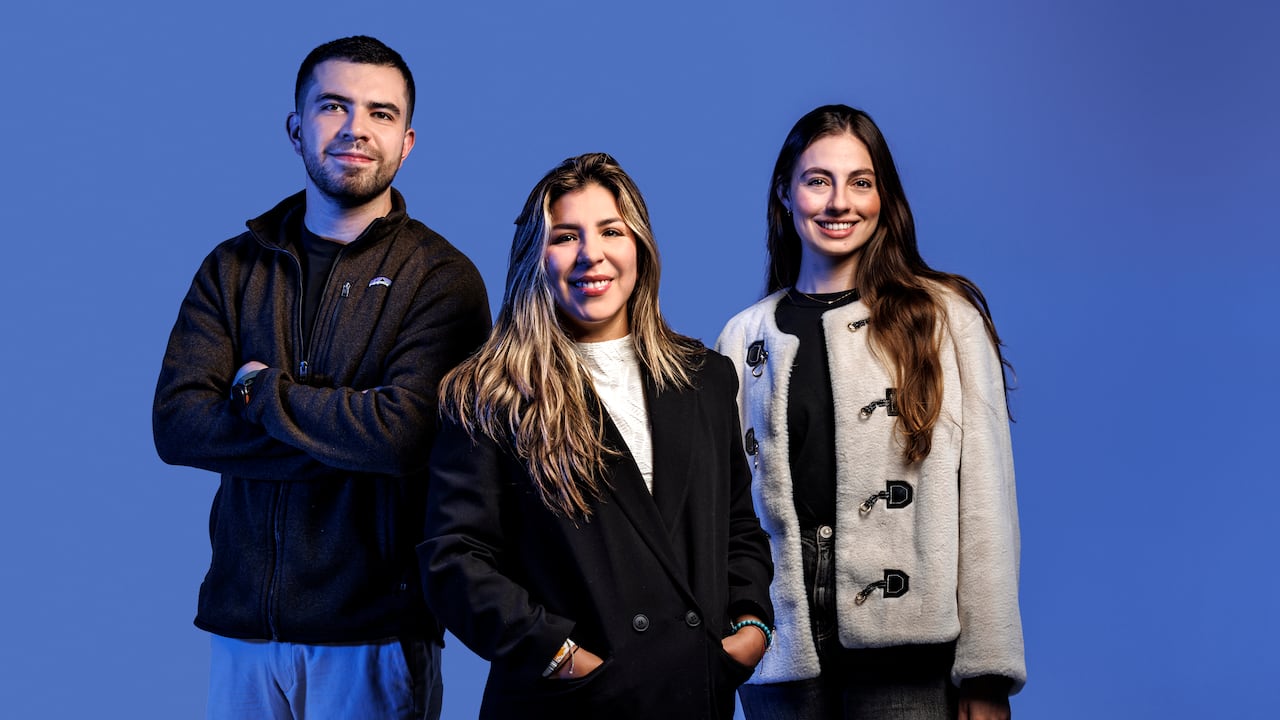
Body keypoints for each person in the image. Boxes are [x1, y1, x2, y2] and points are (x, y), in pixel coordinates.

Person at [152, 35, 491, 720]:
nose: (355, 129)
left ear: (408, 141)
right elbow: (178, 425)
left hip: (373, 635)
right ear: (296, 126)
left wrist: (255, 392)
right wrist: (345, 433)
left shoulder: (442, 279)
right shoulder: (233, 267)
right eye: (333, 106)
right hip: (244, 629)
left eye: (381, 113)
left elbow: (404, 439)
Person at [418, 152, 774, 719]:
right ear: (537, 256)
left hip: (690, 694)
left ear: (640, 245)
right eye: (565, 236)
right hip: (565, 703)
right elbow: (454, 560)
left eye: (611, 230)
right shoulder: (488, 391)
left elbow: (737, 526)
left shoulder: (704, 378)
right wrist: (559, 655)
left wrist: (751, 627)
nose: (592, 254)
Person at [716, 105, 1026, 719]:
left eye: (861, 181)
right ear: (786, 192)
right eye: (817, 180)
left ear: (884, 195)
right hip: (781, 657)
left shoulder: (946, 319)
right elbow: (724, 511)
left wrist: (986, 672)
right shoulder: (743, 336)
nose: (839, 202)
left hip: (912, 656)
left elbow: (988, 501)